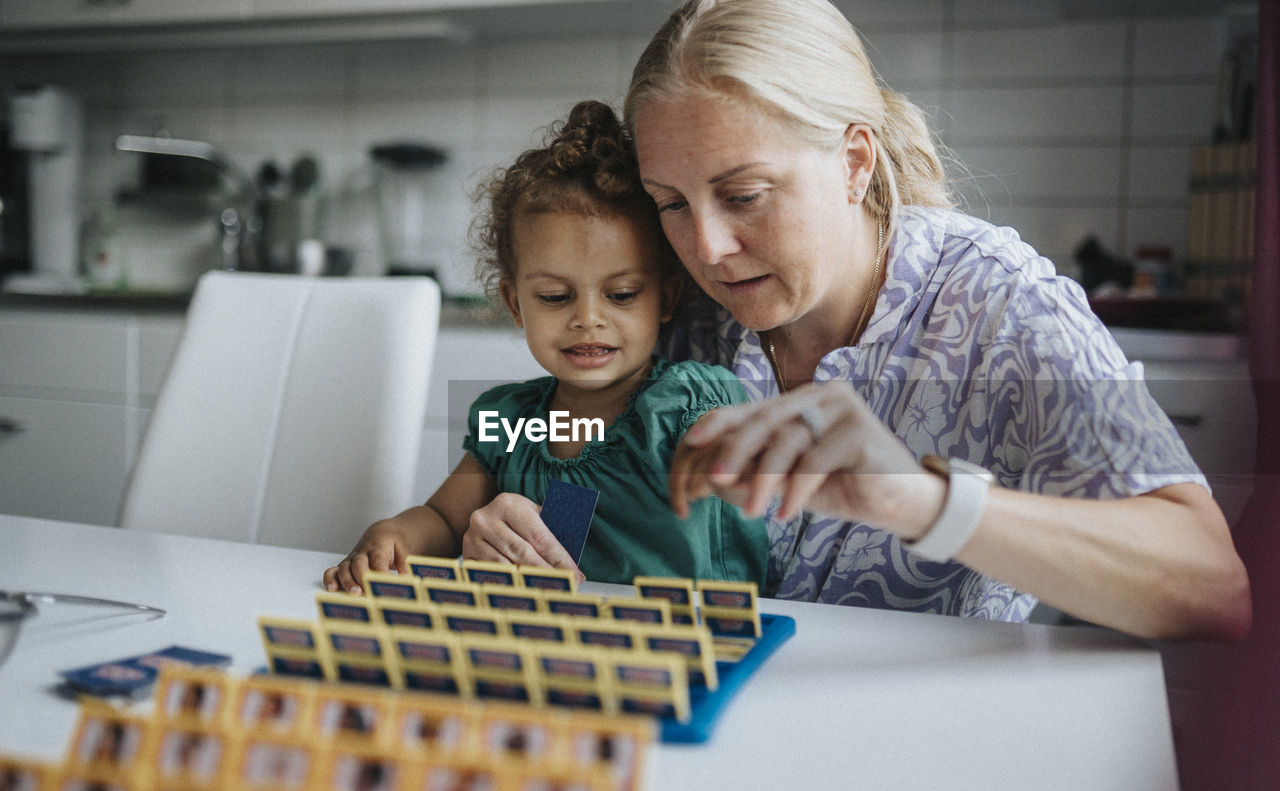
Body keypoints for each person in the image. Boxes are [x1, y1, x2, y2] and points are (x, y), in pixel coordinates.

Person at [467, 0, 1251, 642]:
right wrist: (527, 528)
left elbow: (1213, 584)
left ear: (854, 162)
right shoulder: (673, 300)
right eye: (671, 202)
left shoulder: (999, 304)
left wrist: (920, 499)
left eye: (744, 195)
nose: (706, 247)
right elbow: (593, 451)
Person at [324, 100, 767, 594]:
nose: (588, 319)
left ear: (666, 298)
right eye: (555, 298)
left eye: (621, 295)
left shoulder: (686, 404)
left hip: (697, 646)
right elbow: (444, 521)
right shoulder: (511, 421)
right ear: (515, 304)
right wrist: (391, 535)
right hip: (557, 648)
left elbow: (736, 460)